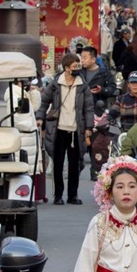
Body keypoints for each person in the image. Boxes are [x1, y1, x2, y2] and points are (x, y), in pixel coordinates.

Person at [36, 53, 94, 205]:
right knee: (58, 163)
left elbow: (89, 108)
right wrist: (40, 118)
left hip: (76, 129)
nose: (77, 69)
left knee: (75, 164)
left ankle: (72, 195)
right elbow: (44, 102)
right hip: (58, 129)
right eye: (74, 67)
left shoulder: (83, 85)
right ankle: (58, 195)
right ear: (67, 68)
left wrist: (89, 127)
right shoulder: (55, 84)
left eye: (78, 66)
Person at [3, 80, 43, 177]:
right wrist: (31, 125)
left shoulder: (22, 94)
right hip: (24, 139)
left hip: (27, 140)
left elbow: (34, 107)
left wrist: (34, 93)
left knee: (27, 174)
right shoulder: (15, 97)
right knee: (23, 173)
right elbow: (18, 121)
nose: (29, 83)